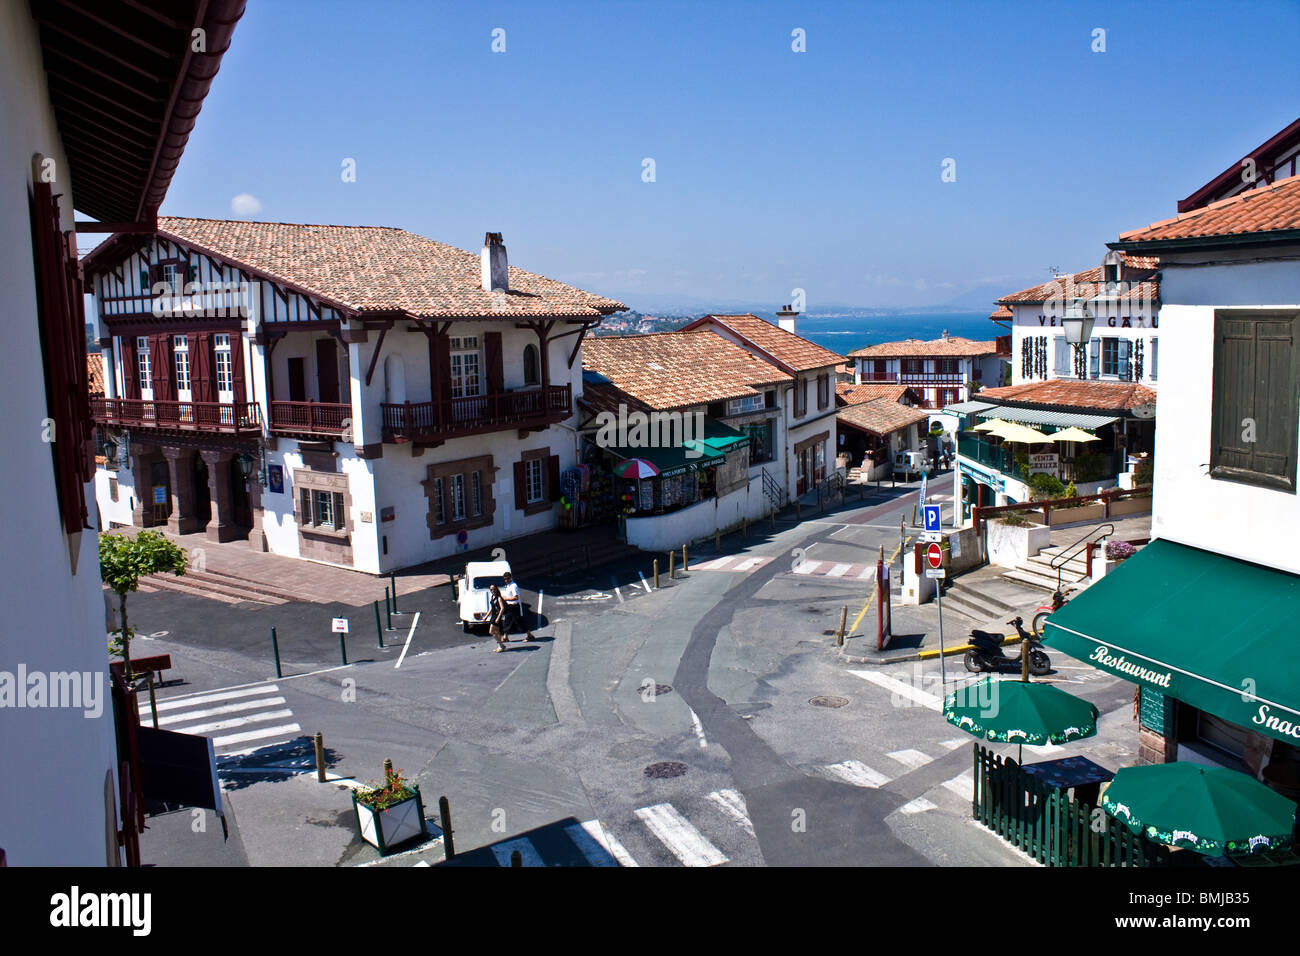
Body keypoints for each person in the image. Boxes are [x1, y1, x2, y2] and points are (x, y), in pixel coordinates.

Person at [499, 571, 536, 643]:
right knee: (507, 621)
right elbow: (509, 595)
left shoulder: (513, 586)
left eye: (507, 579)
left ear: (510, 578)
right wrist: (504, 597)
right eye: (505, 579)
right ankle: (505, 637)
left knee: (519, 621)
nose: (506, 580)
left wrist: (506, 599)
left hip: (514, 606)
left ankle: (530, 635)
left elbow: (516, 597)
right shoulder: (508, 585)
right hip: (509, 606)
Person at [486, 584, 509, 652]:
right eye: (491, 589)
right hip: (493, 616)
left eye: (494, 589)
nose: (492, 590)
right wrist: (486, 616)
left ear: (496, 589)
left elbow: (502, 608)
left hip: (497, 616)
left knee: (491, 631)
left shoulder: (498, 597)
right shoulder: (492, 597)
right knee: (497, 632)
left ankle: (501, 645)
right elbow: (492, 608)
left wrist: (498, 618)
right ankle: (501, 646)